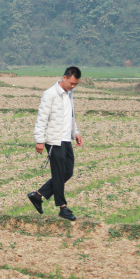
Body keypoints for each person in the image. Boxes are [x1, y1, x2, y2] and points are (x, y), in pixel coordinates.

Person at [27, 66, 83, 221]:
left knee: (68, 171)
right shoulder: (50, 94)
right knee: (58, 173)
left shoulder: (70, 93)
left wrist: (76, 132)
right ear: (64, 78)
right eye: (71, 83)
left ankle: (38, 195)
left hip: (66, 139)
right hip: (53, 140)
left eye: (75, 84)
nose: (73, 86)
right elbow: (42, 118)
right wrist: (40, 140)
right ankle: (62, 208)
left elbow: (70, 115)